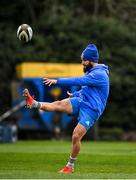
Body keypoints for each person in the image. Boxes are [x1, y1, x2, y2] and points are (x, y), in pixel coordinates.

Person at [23, 44, 110, 174]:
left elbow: (78, 81)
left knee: (76, 136)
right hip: (82, 101)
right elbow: (87, 89)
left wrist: (57, 81)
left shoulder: (99, 74)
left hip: (92, 110)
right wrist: (75, 95)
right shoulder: (91, 72)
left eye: (84, 60)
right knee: (58, 104)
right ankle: (33, 103)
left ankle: (70, 166)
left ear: (91, 60)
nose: (82, 63)